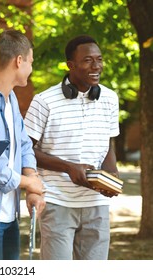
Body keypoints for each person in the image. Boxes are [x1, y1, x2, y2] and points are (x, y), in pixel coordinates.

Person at [24, 35, 120, 260]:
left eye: (99, 59)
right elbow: (25, 150)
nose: (96, 66)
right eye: (87, 60)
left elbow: (108, 143)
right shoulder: (44, 101)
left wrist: (112, 175)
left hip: (97, 203)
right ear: (70, 65)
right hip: (58, 201)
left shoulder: (110, 98)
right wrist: (68, 167)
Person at [0, 29, 46, 260]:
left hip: (9, 215)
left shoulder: (10, 97)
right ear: (19, 60)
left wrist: (31, 177)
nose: (31, 69)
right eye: (31, 62)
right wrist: (30, 184)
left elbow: (24, 144)